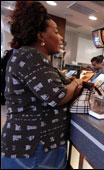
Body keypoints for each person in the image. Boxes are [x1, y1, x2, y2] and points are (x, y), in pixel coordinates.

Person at [1, 2, 83, 169]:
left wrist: (72, 85)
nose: (61, 38)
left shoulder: (34, 58)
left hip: (38, 147)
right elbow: (58, 96)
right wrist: (75, 83)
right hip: (32, 149)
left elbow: (62, 86)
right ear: (41, 36)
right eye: (56, 32)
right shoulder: (30, 56)